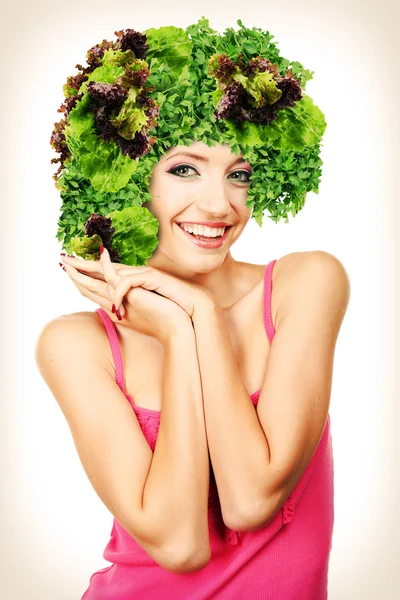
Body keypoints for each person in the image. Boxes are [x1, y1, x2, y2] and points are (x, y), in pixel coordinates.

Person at [35, 18, 351, 599]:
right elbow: (180, 546)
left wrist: (200, 317)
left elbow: (251, 500)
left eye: (239, 175)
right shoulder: (76, 345)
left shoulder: (305, 285)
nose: (219, 204)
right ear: (129, 177)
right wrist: (179, 336)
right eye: (184, 168)